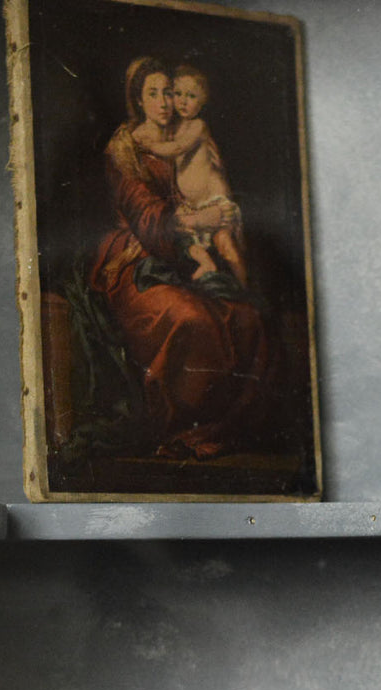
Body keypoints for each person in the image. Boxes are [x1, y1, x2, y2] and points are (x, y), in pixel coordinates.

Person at [89, 57, 268, 460]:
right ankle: (181, 431)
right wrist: (196, 220)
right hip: (137, 259)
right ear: (137, 98)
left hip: (186, 255)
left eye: (169, 91)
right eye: (153, 93)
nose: (165, 101)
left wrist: (212, 219)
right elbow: (146, 218)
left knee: (245, 318)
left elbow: (210, 186)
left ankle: (221, 430)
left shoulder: (186, 136)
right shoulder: (126, 148)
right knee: (192, 320)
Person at [132, 65, 248, 287]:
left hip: (216, 203)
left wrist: (148, 145)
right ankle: (209, 269)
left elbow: (176, 149)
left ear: (202, 102)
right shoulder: (171, 128)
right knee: (191, 246)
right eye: (178, 94)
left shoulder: (198, 126)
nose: (183, 101)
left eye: (191, 96)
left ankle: (246, 292)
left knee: (225, 244)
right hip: (195, 209)